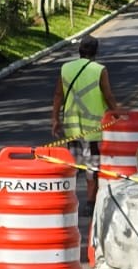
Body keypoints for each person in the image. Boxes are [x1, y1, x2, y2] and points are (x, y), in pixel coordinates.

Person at [51, 34, 121, 203]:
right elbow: (108, 96)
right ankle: (90, 202)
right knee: (92, 166)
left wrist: (55, 119)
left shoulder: (66, 68)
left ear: (80, 50)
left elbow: (58, 95)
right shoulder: (99, 70)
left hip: (72, 127)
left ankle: (70, 200)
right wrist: (118, 115)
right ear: (96, 51)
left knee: (73, 165)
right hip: (93, 128)